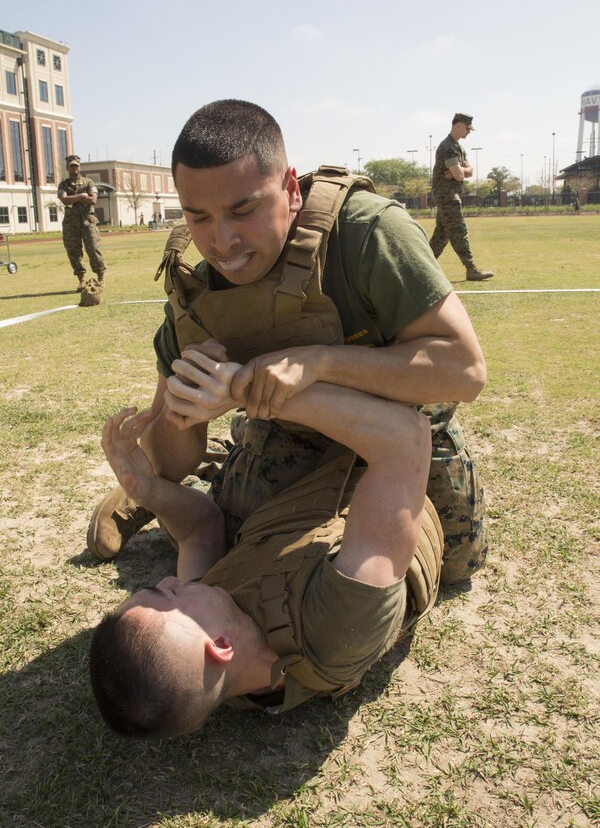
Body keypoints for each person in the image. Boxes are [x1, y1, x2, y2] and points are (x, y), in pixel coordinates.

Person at [86, 99, 488, 585]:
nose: (222, 242)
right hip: (289, 431)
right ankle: (164, 494)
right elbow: (170, 458)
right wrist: (181, 409)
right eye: (199, 217)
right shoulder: (197, 289)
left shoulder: (364, 232)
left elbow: (464, 370)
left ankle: (222, 467)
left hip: (405, 428)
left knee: (454, 563)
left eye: (243, 210)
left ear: (291, 190)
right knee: (240, 550)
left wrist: (318, 362)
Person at [90, 345, 440, 736]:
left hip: (311, 493)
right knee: (433, 390)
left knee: (252, 473)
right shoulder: (337, 627)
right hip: (395, 465)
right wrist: (247, 389)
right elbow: (406, 438)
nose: (171, 581)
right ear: (220, 646)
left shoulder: (213, 632)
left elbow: (199, 531)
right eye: (167, 595)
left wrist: (149, 490)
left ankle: (229, 454)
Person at [429, 114, 494, 281]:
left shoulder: (458, 147)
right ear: (457, 125)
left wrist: (461, 170)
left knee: (441, 235)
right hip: (447, 196)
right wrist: (461, 171)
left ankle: (421, 267)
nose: (469, 132)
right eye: (467, 128)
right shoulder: (448, 147)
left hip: (450, 194)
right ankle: (471, 268)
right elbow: (459, 175)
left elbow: (468, 171)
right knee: (459, 230)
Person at [57, 154, 107, 291]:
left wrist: (75, 198)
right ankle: (82, 280)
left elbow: (93, 200)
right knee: (74, 252)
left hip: (88, 222)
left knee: (93, 249)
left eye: (76, 166)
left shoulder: (88, 182)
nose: (74, 169)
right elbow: (64, 200)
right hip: (71, 224)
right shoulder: (63, 184)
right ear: (67, 167)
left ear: (79, 167)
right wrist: (82, 196)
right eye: (71, 166)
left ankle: (101, 278)